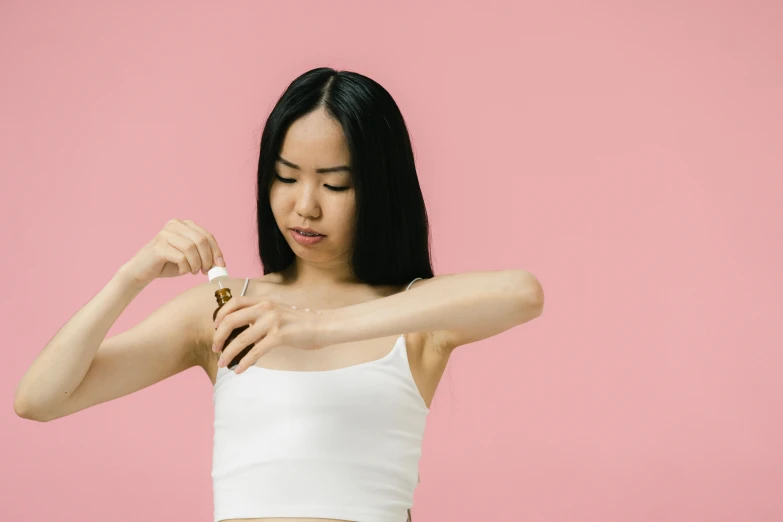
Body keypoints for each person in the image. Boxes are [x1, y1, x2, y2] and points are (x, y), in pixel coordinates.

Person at [14, 67, 545, 522]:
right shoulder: (225, 309)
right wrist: (130, 277)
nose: (304, 207)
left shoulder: (414, 314)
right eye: (285, 178)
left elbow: (521, 293)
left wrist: (316, 328)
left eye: (335, 185)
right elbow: (39, 399)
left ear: (381, 188)